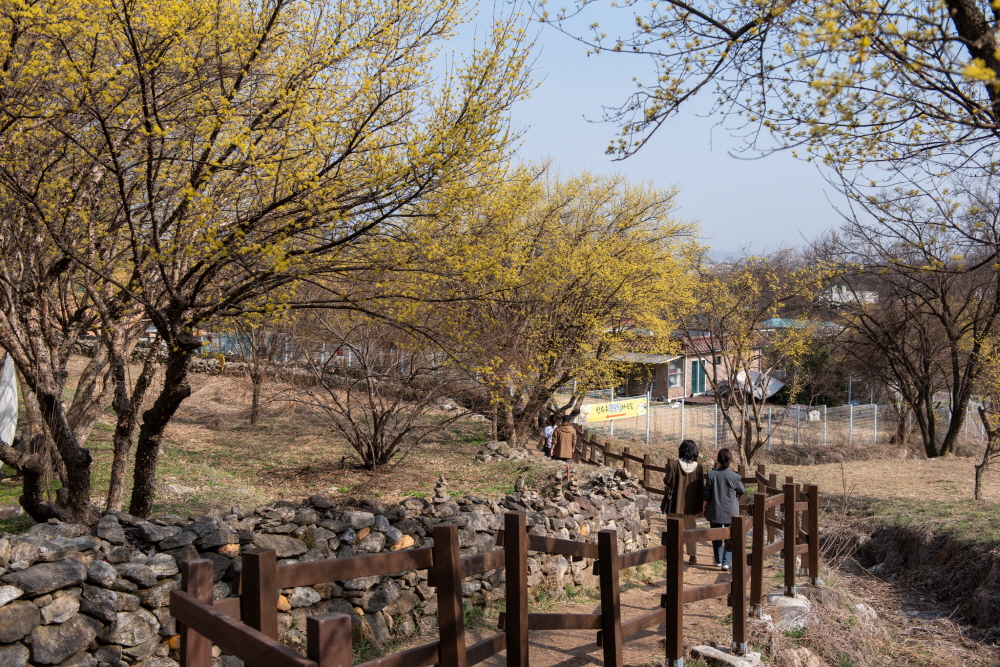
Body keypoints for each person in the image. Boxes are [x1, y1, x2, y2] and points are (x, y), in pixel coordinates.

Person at [662, 439, 704, 564]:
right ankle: (692, 556)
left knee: (674, 530)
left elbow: (667, 481)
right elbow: (701, 488)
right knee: (691, 530)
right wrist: (701, 506)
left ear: (681, 450)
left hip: (675, 504)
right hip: (691, 506)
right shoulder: (699, 468)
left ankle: (674, 554)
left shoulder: (674, 464)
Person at [703, 448, 745, 571]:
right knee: (730, 537)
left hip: (714, 509)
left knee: (716, 535)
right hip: (731, 511)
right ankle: (726, 562)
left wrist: (703, 507)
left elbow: (707, 494)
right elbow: (741, 491)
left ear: (718, 459)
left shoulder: (711, 474)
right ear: (730, 460)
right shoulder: (735, 476)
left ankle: (718, 560)